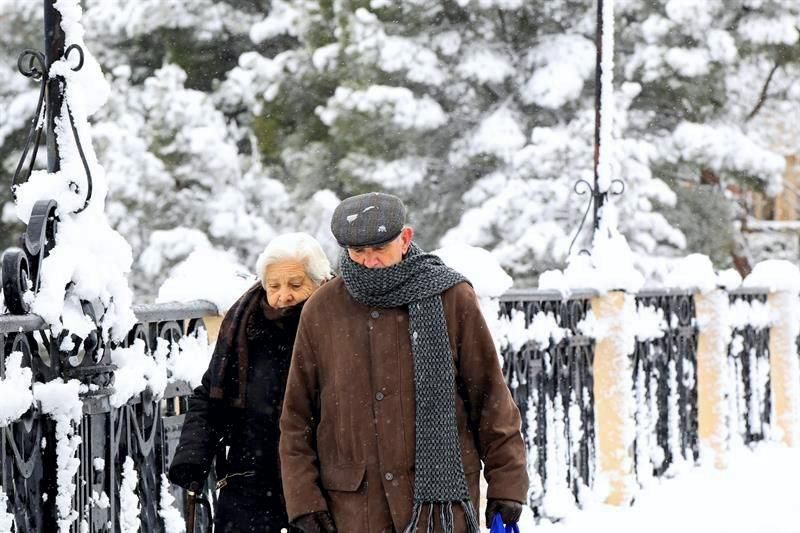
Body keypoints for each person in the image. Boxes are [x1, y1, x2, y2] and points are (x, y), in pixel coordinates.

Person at [280, 192, 528, 533]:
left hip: (442, 510)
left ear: (406, 238)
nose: (369, 262)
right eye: (358, 252)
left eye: (379, 249)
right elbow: (296, 418)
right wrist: (304, 501)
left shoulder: (451, 297)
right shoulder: (322, 309)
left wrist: (507, 486)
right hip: (353, 509)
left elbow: (490, 399)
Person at [168, 232, 332, 533]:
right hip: (249, 478)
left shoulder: (337, 326)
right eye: (274, 286)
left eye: (296, 285)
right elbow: (211, 395)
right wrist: (193, 454)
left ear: (321, 282)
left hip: (319, 482)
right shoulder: (246, 325)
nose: (284, 295)